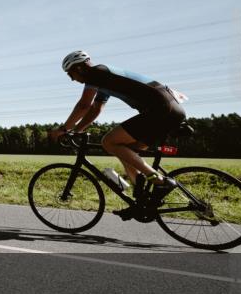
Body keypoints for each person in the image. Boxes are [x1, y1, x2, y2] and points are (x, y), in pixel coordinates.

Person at [49, 51, 183, 220]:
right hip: (170, 110)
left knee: (109, 142)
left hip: (161, 110)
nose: (71, 79)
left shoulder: (97, 73)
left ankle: (161, 182)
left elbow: (84, 105)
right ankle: (140, 201)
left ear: (80, 68)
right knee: (124, 150)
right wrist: (77, 131)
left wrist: (63, 129)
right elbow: (95, 109)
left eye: (71, 73)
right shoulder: (104, 77)